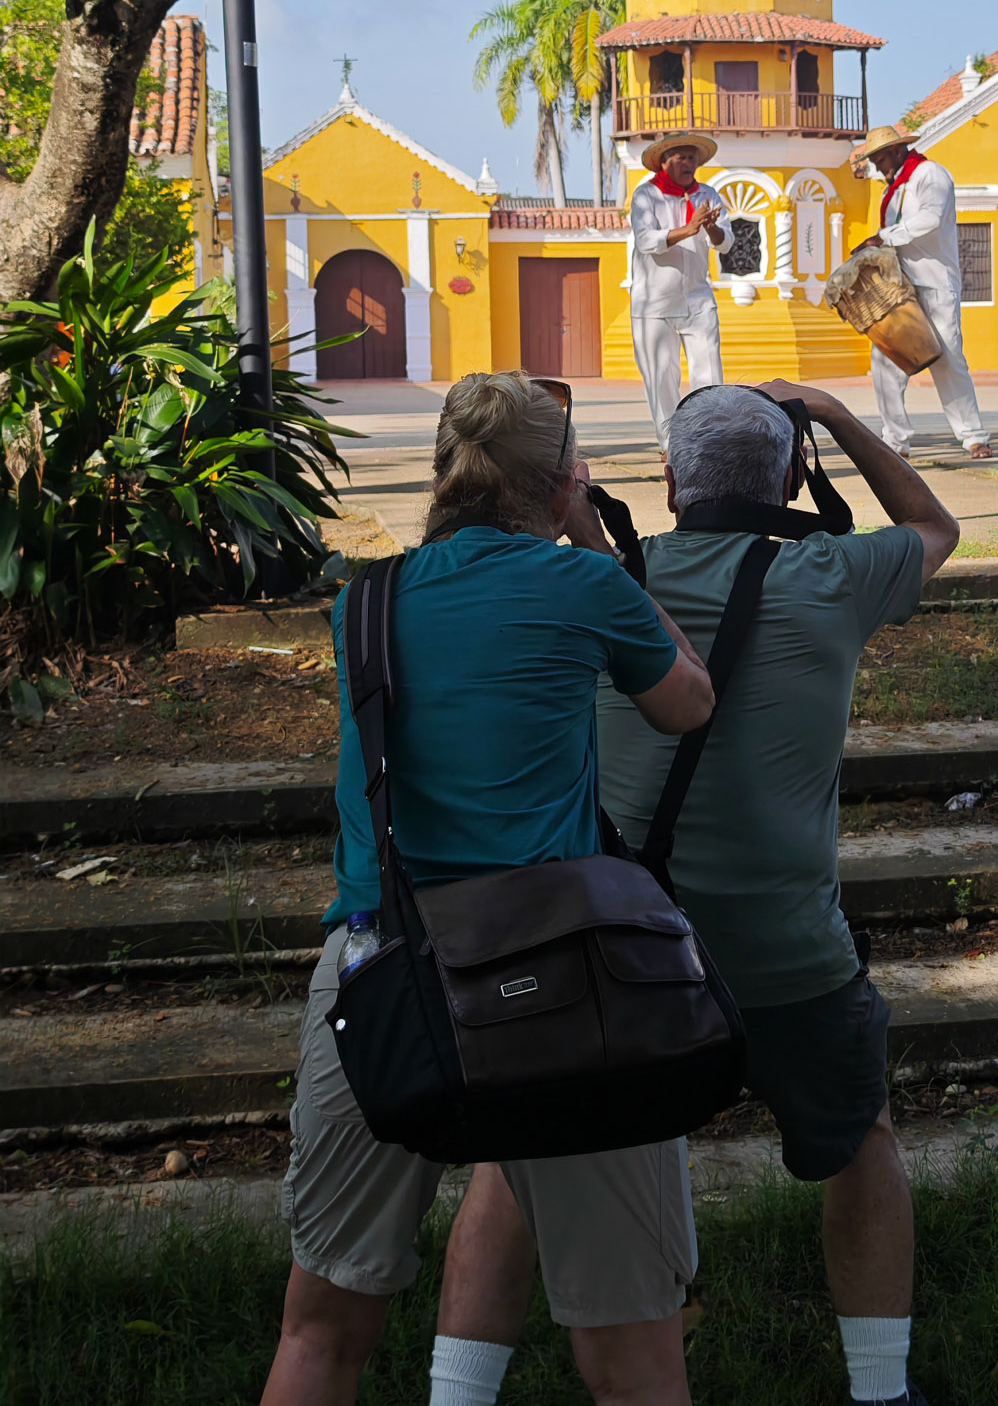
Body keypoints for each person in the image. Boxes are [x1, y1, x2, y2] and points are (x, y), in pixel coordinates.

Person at [260, 371, 715, 1406]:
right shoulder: (585, 584)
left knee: (321, 1327)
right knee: (633, 1355)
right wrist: (596, 546)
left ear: (443, 475)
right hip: (563, 984)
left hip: (383, 972)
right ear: (561, 484)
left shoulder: (364, 602)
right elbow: (688, 702)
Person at [598, 381, 959, 1406]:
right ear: (795, 480)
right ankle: (879, 1392)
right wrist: (836, 416)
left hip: (633, 950)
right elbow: (935, 526)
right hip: (790, 954)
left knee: (563, 1153)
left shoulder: (607, 585)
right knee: (861, 1140)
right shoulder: (836, 574)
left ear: (669, 481)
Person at [857, 125, 993, 460]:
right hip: (900, 287)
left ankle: (973, 436)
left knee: (948, 359)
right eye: (873, 161)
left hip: (935, 283)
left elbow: (930, 218)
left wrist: (883, 237)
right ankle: (895, 440)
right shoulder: (895, 189)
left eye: (880, 159)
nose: (877, 167)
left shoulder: (930, 175)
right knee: (885, 359)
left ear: (897, 151)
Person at [629, 131, 732, 448]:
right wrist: (689, 228)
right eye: (681, 157)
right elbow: (646, 241)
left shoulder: (708, 194)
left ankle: (709, 441)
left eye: (692, 157)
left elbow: (726, 243)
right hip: (654, 304)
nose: (688, 163)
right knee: (661, 377)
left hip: (698, 299)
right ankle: (671, 446)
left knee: (710, 375)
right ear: (664, 163)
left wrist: (710, 227)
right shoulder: (645, 195)